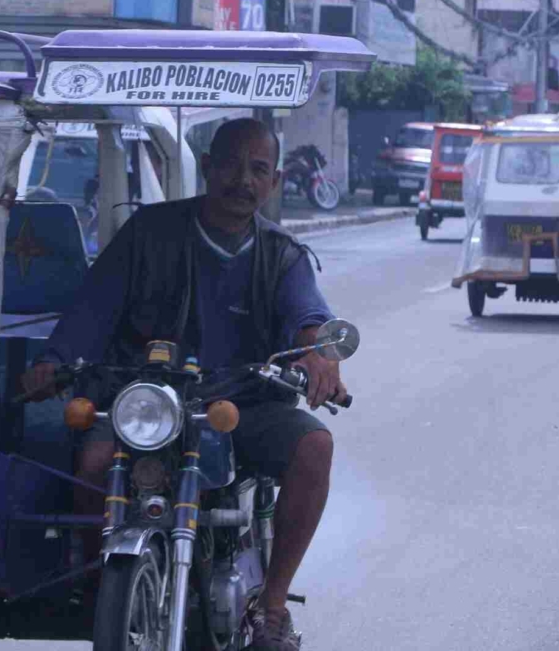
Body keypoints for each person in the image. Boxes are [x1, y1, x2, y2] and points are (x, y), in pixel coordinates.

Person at [22, 118, 346, 651]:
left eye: (258, 170)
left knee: (315, 446)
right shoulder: (150, 233)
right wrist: (55, 360)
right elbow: (93, 308)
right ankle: (97, 587)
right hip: (148, 400)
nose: (243, 179)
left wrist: (318, 352)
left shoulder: (281, 253)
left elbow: (307, 313)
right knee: (93, 465)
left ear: (274, 180)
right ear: (209, 168)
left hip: (241, 404)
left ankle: (272, 606)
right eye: (232, 166)